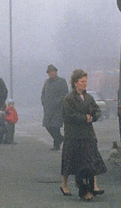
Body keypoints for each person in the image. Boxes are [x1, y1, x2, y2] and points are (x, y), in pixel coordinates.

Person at [60, 68, 107, 199]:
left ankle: (94, 186)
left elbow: (97, 110)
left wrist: (94, 117)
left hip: (88, 134)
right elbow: (69, 115)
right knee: (69, 161)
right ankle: (64, 184)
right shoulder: (68, 98)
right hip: (73, 135)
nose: (84, 84)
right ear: (75, 83)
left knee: (91, 159)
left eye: (85, 81)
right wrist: (84, 118)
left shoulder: (89, 97)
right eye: (82, 81)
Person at [41, 64, 69, 151]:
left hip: (58, 108)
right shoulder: (46, 82)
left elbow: (65, 94)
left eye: (53, 71)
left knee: (55, 126)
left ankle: (56, 144)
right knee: (48, 126)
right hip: (48, 108)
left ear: (56, 72)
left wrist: (57, 102)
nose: (51, 73)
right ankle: (60, 138)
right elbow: (43, 93)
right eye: (50, 72)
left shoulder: (61, 81)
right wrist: (43, 102)